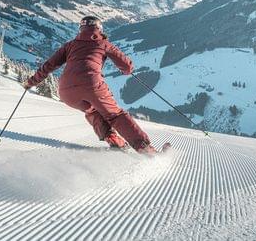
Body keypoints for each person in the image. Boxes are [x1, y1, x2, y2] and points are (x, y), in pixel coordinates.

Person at [24, 16, 157, 154]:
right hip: (92, 85)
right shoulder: (103, 43)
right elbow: (127, 67)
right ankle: (144, 148)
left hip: (66, 92)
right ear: (99, 29)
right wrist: (127, 70)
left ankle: (112, 139)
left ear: (81, 29)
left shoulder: (70, 45)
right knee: (115, 115)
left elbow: (49, 65)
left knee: (92, 110)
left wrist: (31, 82)